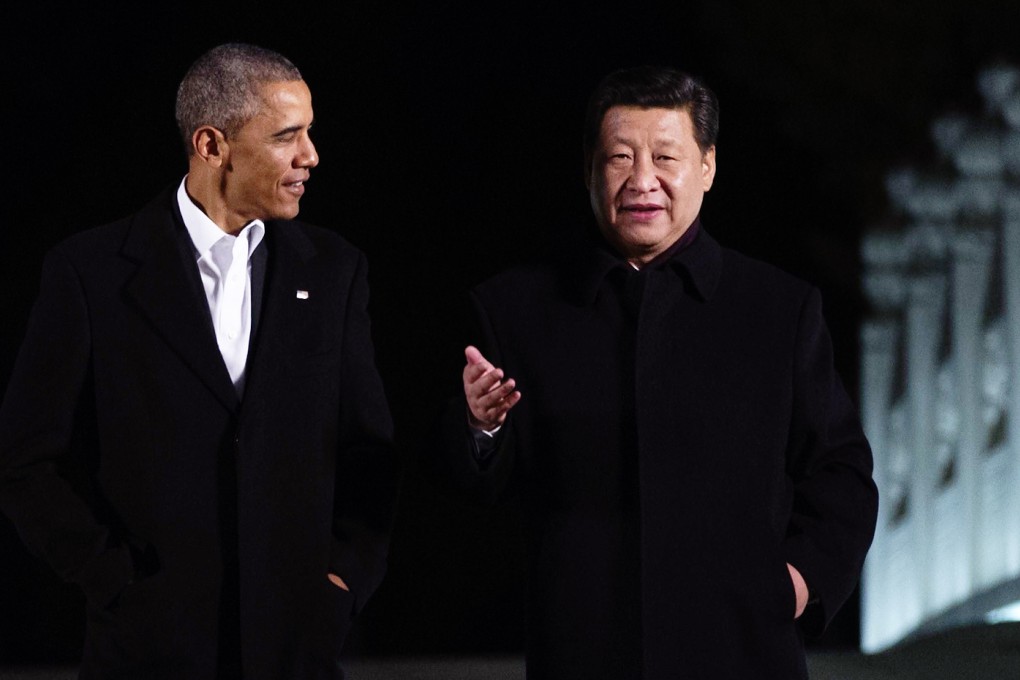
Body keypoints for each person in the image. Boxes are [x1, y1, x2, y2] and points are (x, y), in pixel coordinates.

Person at [435, 66, 878, 678]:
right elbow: (475, 498)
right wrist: (481, 431)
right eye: (620, 157)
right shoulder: (515, 309)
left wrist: (795, 584)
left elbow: (841, 474)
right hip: (581, 650)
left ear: (708, 167)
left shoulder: (778, 308)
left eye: (666, 156)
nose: (642, 181)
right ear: (590, 168)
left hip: (742, 652)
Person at [0, 43, 396, 679]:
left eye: (310, 133)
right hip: (147, 653)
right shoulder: (89, 274)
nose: (310, 157)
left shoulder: (335, 270)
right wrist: (113, 581)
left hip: (295, 652)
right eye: (287, 136)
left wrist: (343, 583)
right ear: (212, 145)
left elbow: (369, 448)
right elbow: (24, 461)